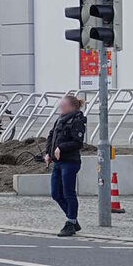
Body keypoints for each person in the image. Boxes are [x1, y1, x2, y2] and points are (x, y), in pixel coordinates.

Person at [44, 95, 87, 237]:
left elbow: (77, 142)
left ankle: (70, 222)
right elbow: (51, 136)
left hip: (70, 162)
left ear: (72, 107)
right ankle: (73, 220)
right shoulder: (60, 119)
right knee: (56, 193)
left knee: (69, 193)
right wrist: (48, 153)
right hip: (58, 162)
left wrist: (61, 147)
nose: (60, 108)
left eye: (63, 106)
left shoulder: (77, 121)